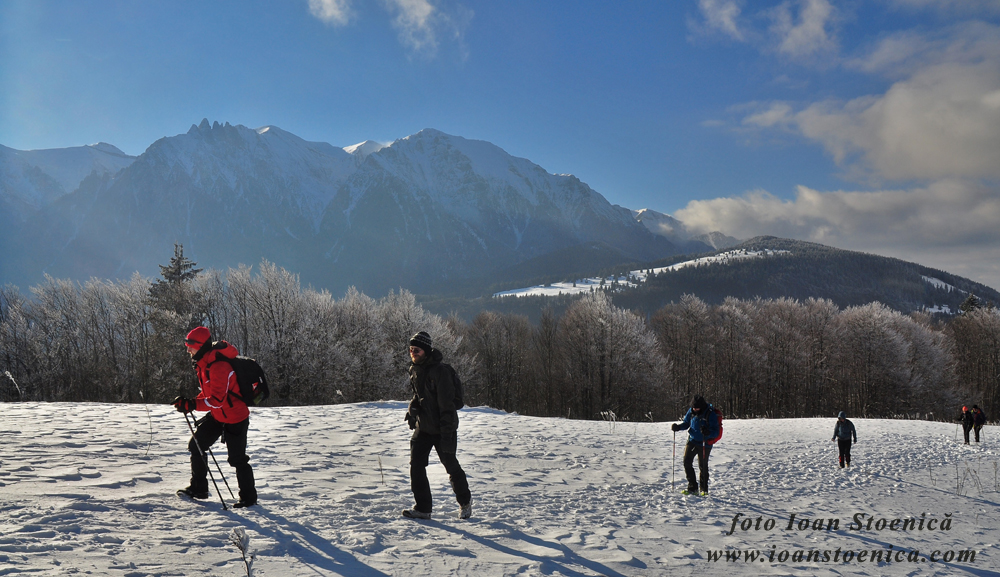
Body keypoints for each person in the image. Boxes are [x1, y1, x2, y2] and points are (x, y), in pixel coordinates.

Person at [173, 326, 257, 508]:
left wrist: (193, 405)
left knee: (237, 459)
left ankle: (249, 499)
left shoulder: (219, 366)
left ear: (201, 345)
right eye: (187, 344)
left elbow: (217, 400)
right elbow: (208, 395)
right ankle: (199, 488)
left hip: (235, 417)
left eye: (191, 344)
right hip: (219, 416)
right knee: (196, 445)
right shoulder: (204, 365)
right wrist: (189, 402)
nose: (188, 348)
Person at [402, 331, 472, 520]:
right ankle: (423, 508)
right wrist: (412, 410)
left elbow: (447, 406)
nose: (413, 352)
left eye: (416, 349)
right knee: (416, 465)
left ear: (425, 350)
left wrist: (447, 435)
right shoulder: (415, 369)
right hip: (423, 427)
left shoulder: (440, 372)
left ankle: (465, 503)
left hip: (443, 429)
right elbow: (420, 396)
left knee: (451, 466)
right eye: (411, 349)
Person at [671, 395, 721, 496]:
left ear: (701, 407)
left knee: (702, 466)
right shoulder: (691, 411)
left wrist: (708, 432)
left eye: (697, 408)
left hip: (705, 443)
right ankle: (692, 487)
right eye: (693, 407)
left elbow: (716, 431)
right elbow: (686, 423)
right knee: (686, 462)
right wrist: (678, 427)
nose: (695, 409)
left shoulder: (710, 413)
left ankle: (704, 490)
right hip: (692, 440)